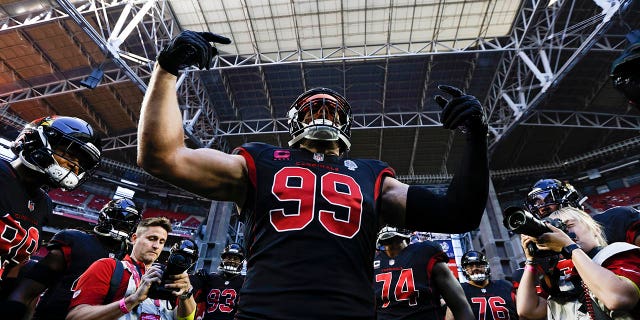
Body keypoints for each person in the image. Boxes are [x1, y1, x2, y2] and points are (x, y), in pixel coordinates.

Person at [137, 30, 489, 319]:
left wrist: (475, 137)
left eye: (332, 111)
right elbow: (163, 157)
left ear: (347, 126)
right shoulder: (260, 158)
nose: (322, 115)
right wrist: (166, 70)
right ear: (294, 124)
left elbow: (460, 213)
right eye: (312, 110)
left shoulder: (372, 173)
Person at [0, 116, 101, 300]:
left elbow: (14, 263)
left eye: (81, 164)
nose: (75, 166)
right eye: (69, 154)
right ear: (35, 140)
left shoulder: (44, 203)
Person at [4, 198, 141, 320]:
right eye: (118, 222)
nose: (122, 228)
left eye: (126, 225)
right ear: (104, 218)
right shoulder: (76, 241)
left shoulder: (129, 256)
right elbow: (28, 291)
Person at [516, 207, 640, 319]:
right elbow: (528, 311)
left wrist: (569, 246)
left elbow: (618, 298)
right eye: (557, 230)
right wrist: (531, 261)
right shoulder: (561, 276)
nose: (564, 233)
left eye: (569, 225)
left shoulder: (616, 252)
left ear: (595, 229)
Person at [66, 217, 196, 320]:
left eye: (162, 242)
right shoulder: (108, 266)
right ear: (134, 238)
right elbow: (75, 316)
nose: (156, 246)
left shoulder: (167, 276)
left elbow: (186, 318)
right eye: (152, 238)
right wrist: (133, 299)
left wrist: (187, 294)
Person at [374, 226, 473, 320]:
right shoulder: (371, 261)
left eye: (392, 220)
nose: (386, 226)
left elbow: (460, 306)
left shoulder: (426, 252)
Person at [525, 178, 640, 246]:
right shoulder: (544, 246)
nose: (541, 207)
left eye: (548, 199)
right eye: (536, 203)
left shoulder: (616, 218)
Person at [457, 251, 518, 320]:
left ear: (486, 266)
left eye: (479, 265)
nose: (475, 269)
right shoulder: (459, 290)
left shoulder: (505, 285)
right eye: (470, 266)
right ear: (465, 270)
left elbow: (522, 311)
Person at [190, 243, 245, 320]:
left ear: (241, 261)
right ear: (223, 259)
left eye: (235, 258)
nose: (231, 261)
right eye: (229, 257)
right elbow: (195, 297)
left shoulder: (245, 281)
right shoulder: (211, 278)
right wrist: (198, 278)